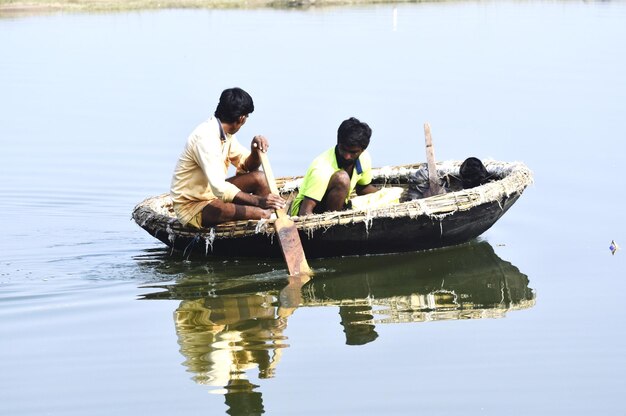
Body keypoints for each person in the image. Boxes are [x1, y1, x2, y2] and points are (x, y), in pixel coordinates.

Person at [170, 87, 285, 228]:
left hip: (212, 194)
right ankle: (265, 215)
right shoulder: (205, 138)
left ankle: (267, 215)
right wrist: (258, 201)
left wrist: (255, 150)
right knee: (262, 214)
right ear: (241, 118)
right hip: (193, 206)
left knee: (260, 178)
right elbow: (219, 188)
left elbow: (247, 167)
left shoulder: (225, 134)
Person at [290, 117, 378, 216]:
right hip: (304, 212)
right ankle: (333, 227)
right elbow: (304, 212)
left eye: (353, 152)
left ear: (362, 150)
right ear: (338, 142)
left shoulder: (364, 158)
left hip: (335, 206)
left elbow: (362, 188)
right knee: (342, 179)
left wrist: (386, 195)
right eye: (343, 149)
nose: (347, 156)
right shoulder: (321, 168)